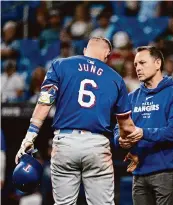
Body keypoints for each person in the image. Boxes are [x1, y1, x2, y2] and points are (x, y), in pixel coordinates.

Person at [15, 37, 137, 205]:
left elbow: (45, 102)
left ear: (85, 50)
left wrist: (30, 136)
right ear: (107, 55)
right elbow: (125, 127)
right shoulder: (116, 79)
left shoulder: (61, 65)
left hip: (65, 142)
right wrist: (132, 148)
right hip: (97, 145)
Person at [114, 46, 173, 205]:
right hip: (139, 171)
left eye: (142, 63)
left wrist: (143, 133)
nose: (138, 68)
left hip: (166, 171)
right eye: (135, 65)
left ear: (157, 63)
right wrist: (120, 139)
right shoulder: (132, 97)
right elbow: (119, 126)